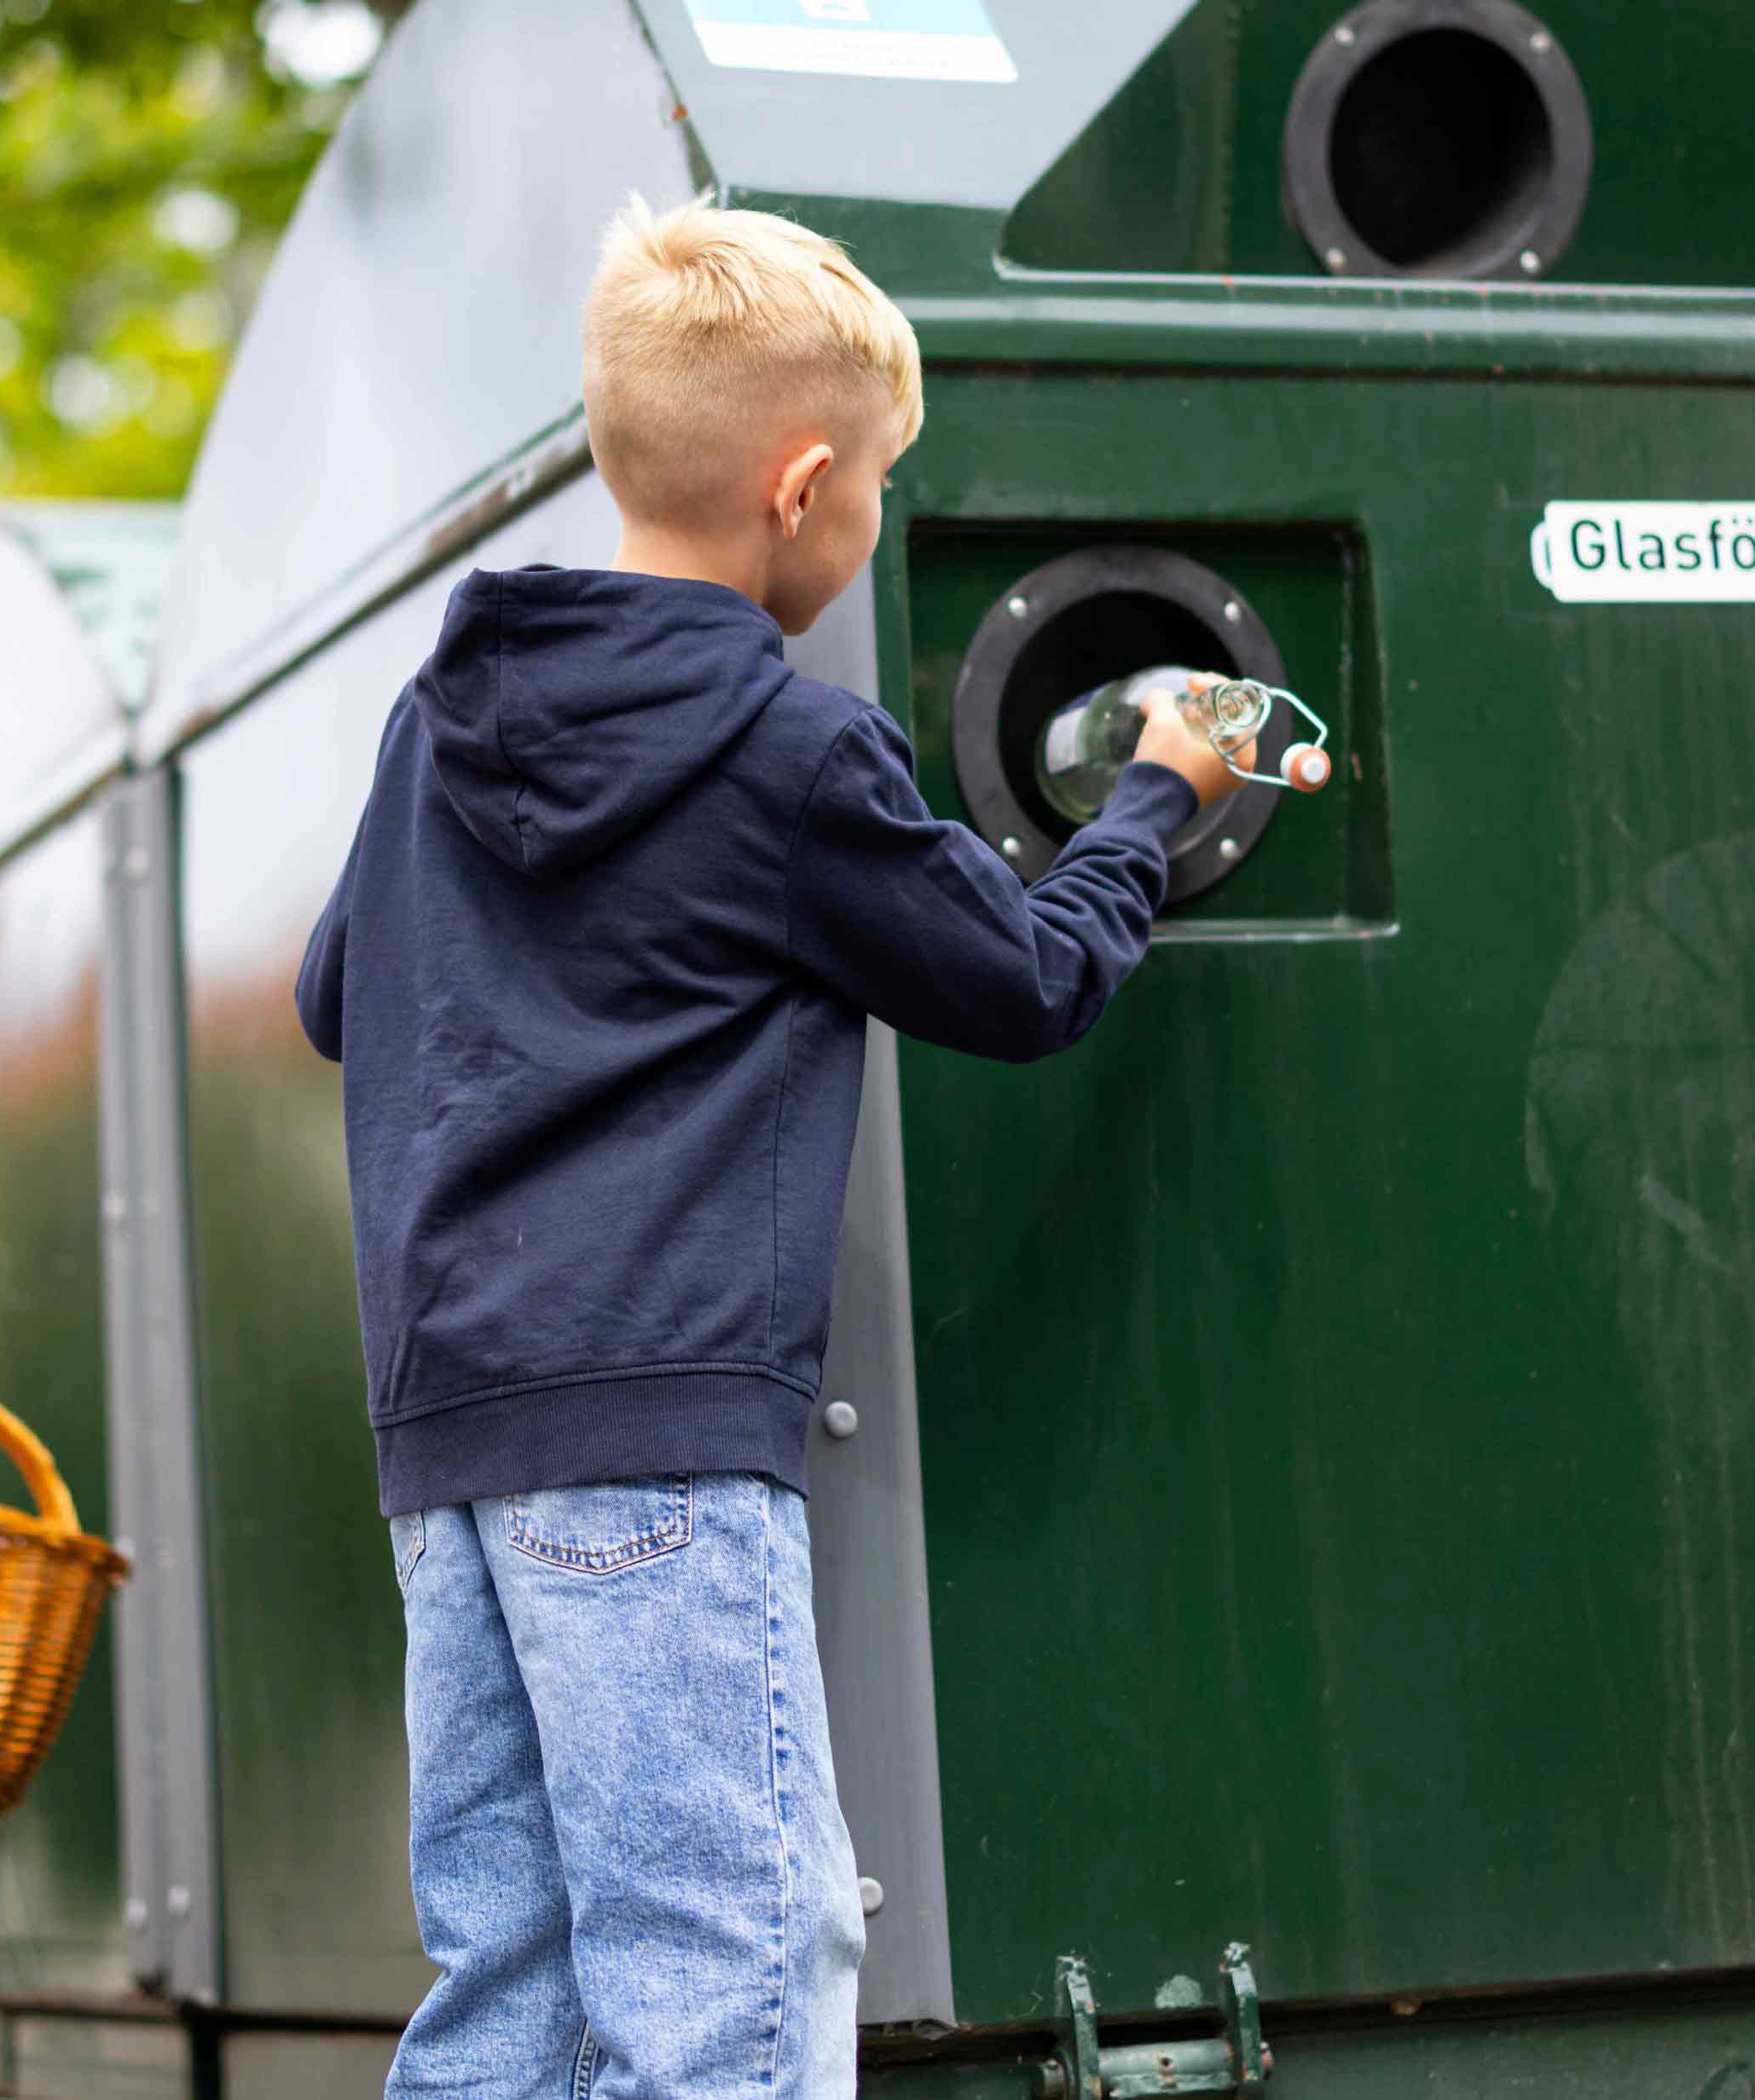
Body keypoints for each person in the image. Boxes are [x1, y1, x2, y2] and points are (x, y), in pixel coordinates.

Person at [294, 196, 1238, 2100]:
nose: (878, 514)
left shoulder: (436, 722)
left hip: (449, 1453)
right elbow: (1026, 974)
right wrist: (1160, 794)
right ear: (802, 486)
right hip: (654, 1442)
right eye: (882, 480)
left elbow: (338, 991)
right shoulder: (789, 755)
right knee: (725, 1965)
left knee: (515, 1977)